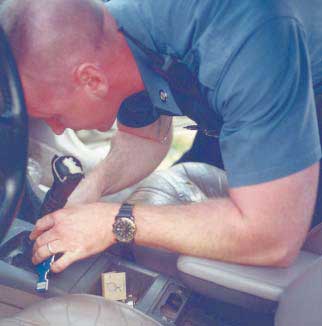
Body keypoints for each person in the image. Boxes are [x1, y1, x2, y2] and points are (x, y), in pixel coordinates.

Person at [0, 0, 321, 274]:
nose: (56, 128)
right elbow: (145, 140)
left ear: (91, 80)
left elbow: (272, 235)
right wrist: (91, 190)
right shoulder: (120, 41)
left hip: (298, 92)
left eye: (53, 115)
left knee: (303, 258)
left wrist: (114, 220)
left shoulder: (245, 41)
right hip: (240, 101)